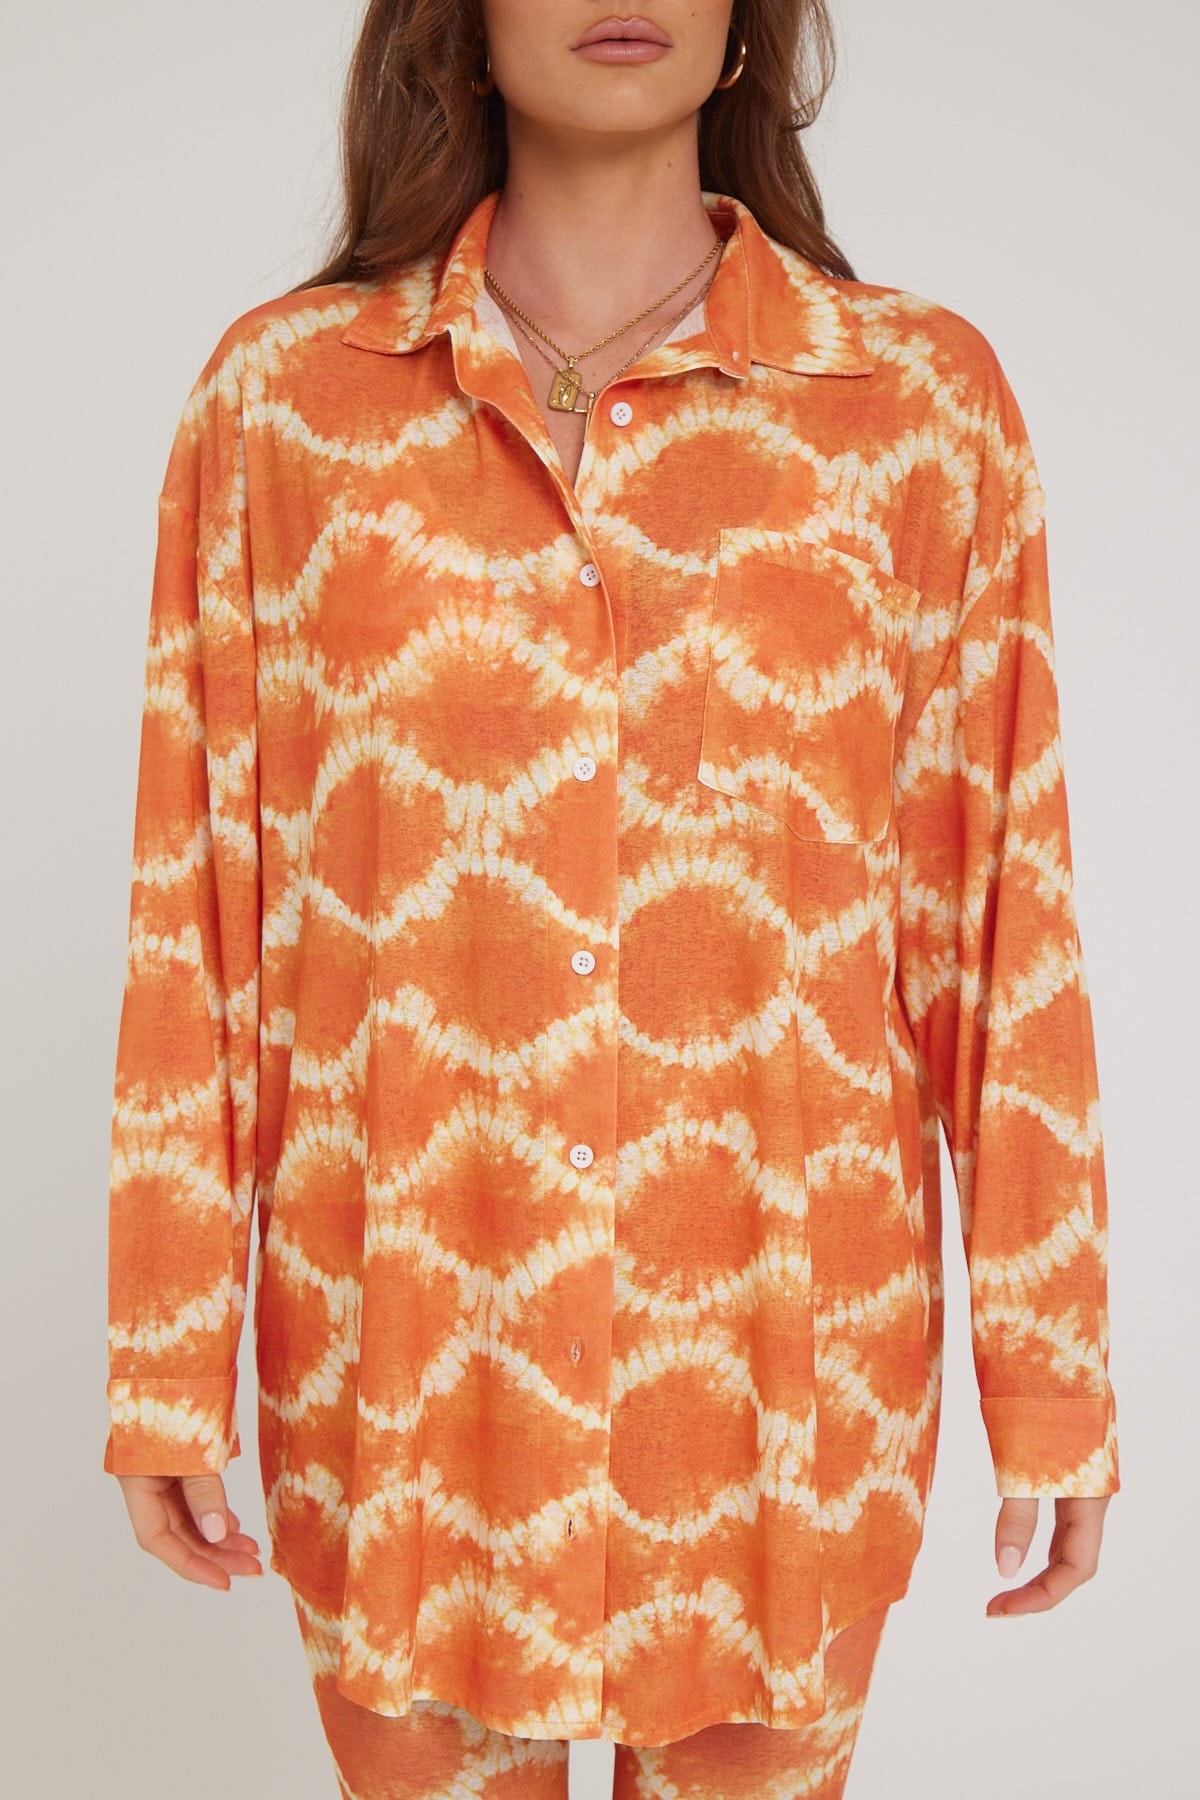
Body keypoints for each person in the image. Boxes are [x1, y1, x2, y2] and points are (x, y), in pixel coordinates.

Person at [103, 3, 1121, 1795]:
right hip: (410, 1380)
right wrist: (163, 1354)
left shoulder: (912, 411)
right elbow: (203, 908)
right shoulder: (285, 408)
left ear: (746, 26)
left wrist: (1050, 1374)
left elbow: (1000, 915)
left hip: (779, 1383)